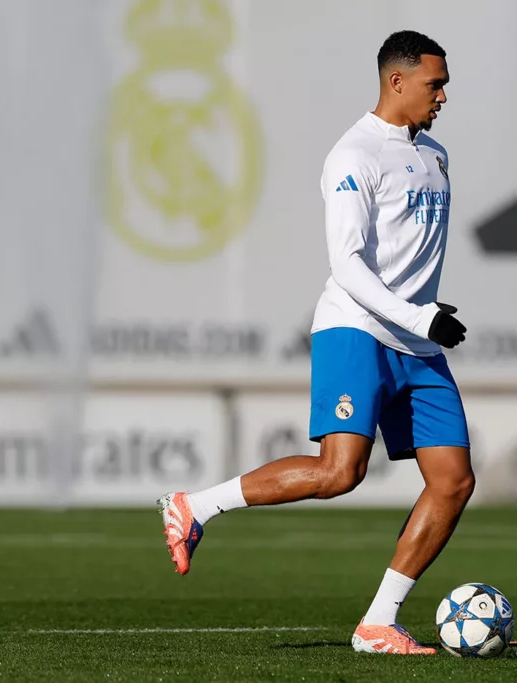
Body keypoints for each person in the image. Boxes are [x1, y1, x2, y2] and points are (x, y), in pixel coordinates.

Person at [159, 30, 473, 656]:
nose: (443, 95)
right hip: (355, 329)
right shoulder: (353, 155)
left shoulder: (435, 154)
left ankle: (378, 622)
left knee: (454, 481)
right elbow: (348, 264)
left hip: (416, 343)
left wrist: (421, 323)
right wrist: (420, 319)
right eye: (435, 84)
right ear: (396, 81)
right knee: (339, 473)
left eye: (444, 84)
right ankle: (194, 505)